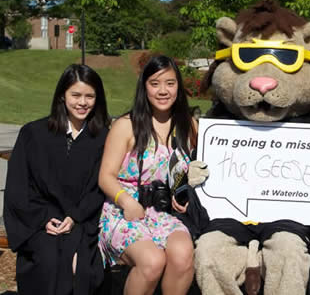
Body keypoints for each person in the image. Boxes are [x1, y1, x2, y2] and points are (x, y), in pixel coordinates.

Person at [4, 64, 110, 295]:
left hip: (83, 220)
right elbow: (18, 187)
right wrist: (43, 219)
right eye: (76, 95)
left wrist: (75, 217)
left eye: (89, 96)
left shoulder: (103, 137)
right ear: (62, 95)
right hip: (40, 220)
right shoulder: (34, 133)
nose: (82, 102)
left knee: (79, 265)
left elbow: (100, 188)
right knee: (49, 260)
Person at [98, 55, 197, 295]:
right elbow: (105, 176)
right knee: (152, 261)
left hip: (163, 213)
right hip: (124, 211)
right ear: (144, 87)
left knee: (183, 255)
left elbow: (192, 168)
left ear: (178, 87)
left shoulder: (190, 126)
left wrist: (183, 191)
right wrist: (127, 201)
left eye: (170, 83)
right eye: (155, 83)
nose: (163, 90)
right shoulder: (126, 125)